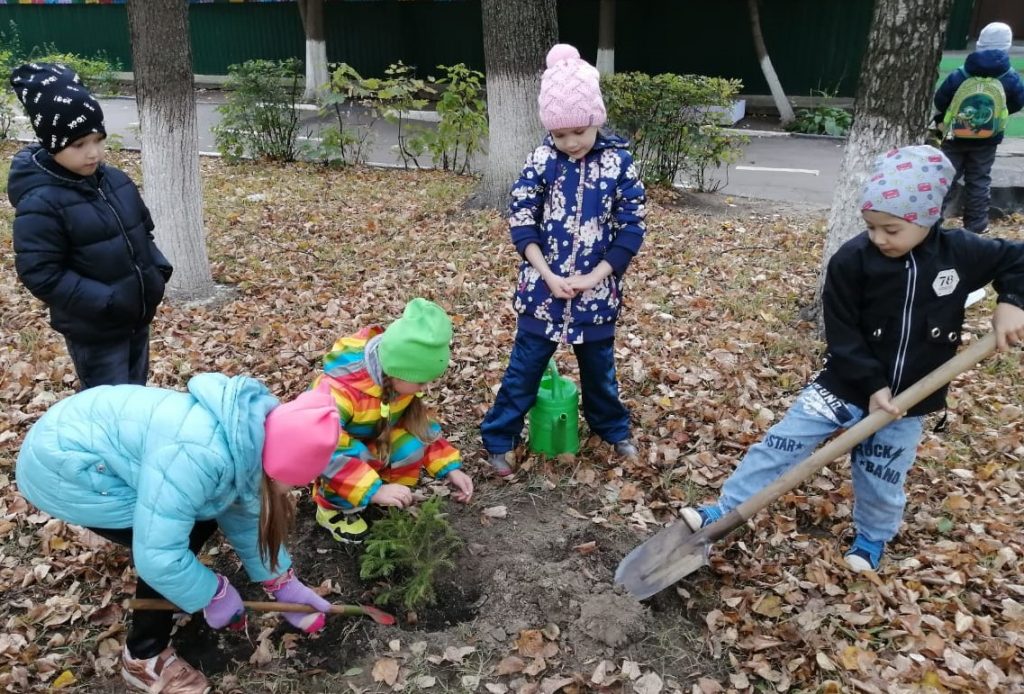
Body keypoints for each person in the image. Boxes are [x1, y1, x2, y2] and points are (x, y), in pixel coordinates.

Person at [681, 145, 1024, 573]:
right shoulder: (852, 261)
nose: (879, 238)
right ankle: (726, 509)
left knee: (881, 476)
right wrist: (871, 385)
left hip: (907, 403)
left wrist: (1012, 301)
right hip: (841, 386)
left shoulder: (961, 253)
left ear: (929, 217)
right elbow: (841, 334)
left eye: (892, 229)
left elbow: (1018, 259)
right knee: (781, 444)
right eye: (871, 226)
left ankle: (871, 540)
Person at [16, 374, 341, 693]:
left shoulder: (248, 433)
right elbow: (158, 556)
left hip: (88, 435)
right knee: (177, 539)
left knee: (200, 513)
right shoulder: (199, 456)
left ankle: (175, 598)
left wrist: (282, 583)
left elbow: (243, 510)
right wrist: (211, 593)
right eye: (295, 483)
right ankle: (143, 657)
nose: (295, 489)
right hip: (63, 468)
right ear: (279, 467)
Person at [480, 44, 647, 476]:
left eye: (579, 131)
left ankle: (612, 430)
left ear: (595, 118)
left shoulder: (619, 164)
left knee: (600, 373)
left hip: (597, 293)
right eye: (560, 134)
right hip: (542, 291)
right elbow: (521, 219)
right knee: (524, 370)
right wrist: (546, 273)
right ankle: (499, 436)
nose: (570, 142)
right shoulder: (541, 161)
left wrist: (597, 275)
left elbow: (632, 227)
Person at [8, 62, 172, 389]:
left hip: (136, 320)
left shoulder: (115, 181)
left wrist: (157, 271)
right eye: (79, 145)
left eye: (98, 139)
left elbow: (143, 231)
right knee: (108, 410)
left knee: (135, 399)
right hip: (95, 332)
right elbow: (40, 272)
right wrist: (105, 301)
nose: (93, 153)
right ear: (52, 143)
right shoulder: (41, 202)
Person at [312, 298, 475, 543]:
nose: (425, 388)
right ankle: (331, 509)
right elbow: (325, 450)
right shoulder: (339, 393)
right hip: (335, 454)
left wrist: (450, 468)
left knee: (410, 444)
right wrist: (374, 489)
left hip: (371, 441)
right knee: (352, 454)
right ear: (399, 370)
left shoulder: (397, 384)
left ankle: (387, 492)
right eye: (421, 382)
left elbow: (418, 425)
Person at [934, 22, 1024, 234]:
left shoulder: (961, 73)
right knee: (979, 180)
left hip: (954, 135)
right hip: (987, 139)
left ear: (979, 43)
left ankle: (932, 223)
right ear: (1007, 46)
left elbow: (941, 100)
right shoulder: (1010, 77)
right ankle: (975, 227)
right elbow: (1017, 102)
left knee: (945, 177)